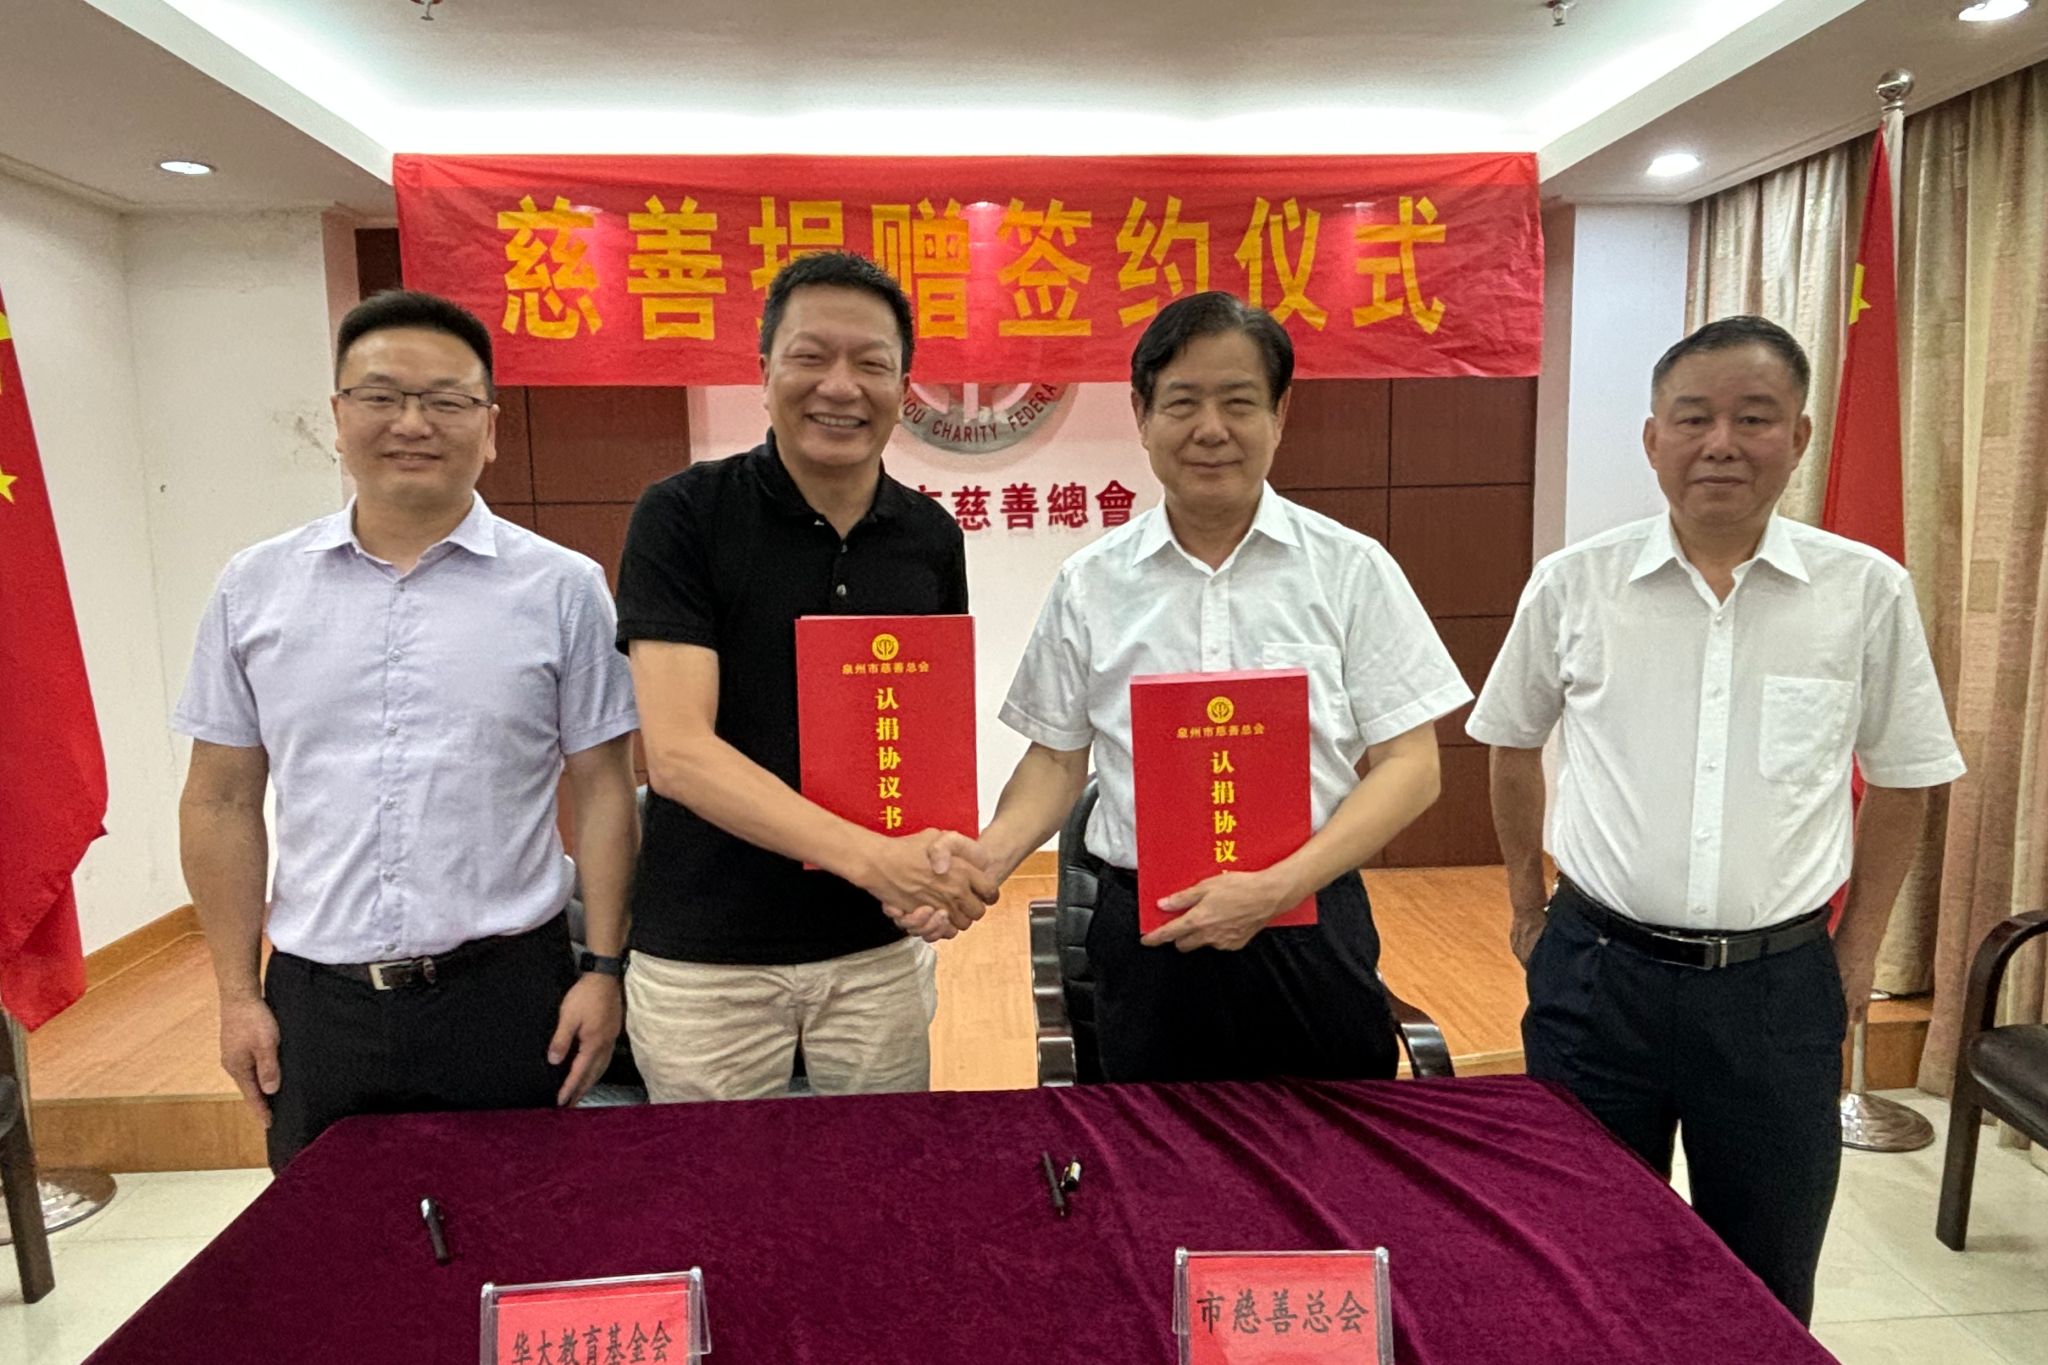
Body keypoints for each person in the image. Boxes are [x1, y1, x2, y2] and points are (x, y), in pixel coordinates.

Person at [1468, 314, 1964, 1323]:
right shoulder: (1574, 583)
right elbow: (1510, 742)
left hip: (1777, 990)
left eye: (1754, 418)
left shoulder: (1864, 592)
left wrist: (1857, 952)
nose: (1721, 443)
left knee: (1766, 1272)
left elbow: (1905, 779)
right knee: (1581, 1261)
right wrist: (1526, 905)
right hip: (1596, 977)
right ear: (1651, 438)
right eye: (1692, 418)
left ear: (1800, 435)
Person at [941, 290, 1467, 1083]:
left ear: (1279, 414)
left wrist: (1279, 885)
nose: (1211, 428)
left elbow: (1412, 764)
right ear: (1141, 414)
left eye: (1239, 402)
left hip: (1310, 920)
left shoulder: (1351, 569)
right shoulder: (1091, 583)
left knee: (1331, 1139)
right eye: (1183, 402)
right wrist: (985, 860)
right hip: (1149, 939)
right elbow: (1055, 760)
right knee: (1156, 1144)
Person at [175, 289, 640, 1172]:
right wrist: (236, 992)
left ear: (490, 427)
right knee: (333, 1238)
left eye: (447, 400)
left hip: (508, 994)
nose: (413, 424)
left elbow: (605, 786)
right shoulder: (254, 588)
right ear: (338, 417)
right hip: (319, 1004)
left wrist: (604, 970)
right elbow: (221, 798)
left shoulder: (563, 588)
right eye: (382, 396)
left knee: (521, 1226)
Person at [614, 250, 994, 1103]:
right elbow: (678, 756)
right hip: (708, 958)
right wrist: (879, 861)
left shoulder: (929, 536)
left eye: (871, 363)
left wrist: (929, 879)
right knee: (717, 1184)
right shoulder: (683, 515)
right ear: (763, 373)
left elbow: (919, 739)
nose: (840, 386)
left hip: (875, 953)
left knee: (879, 1174)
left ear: (905, 386)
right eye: (810, 356)